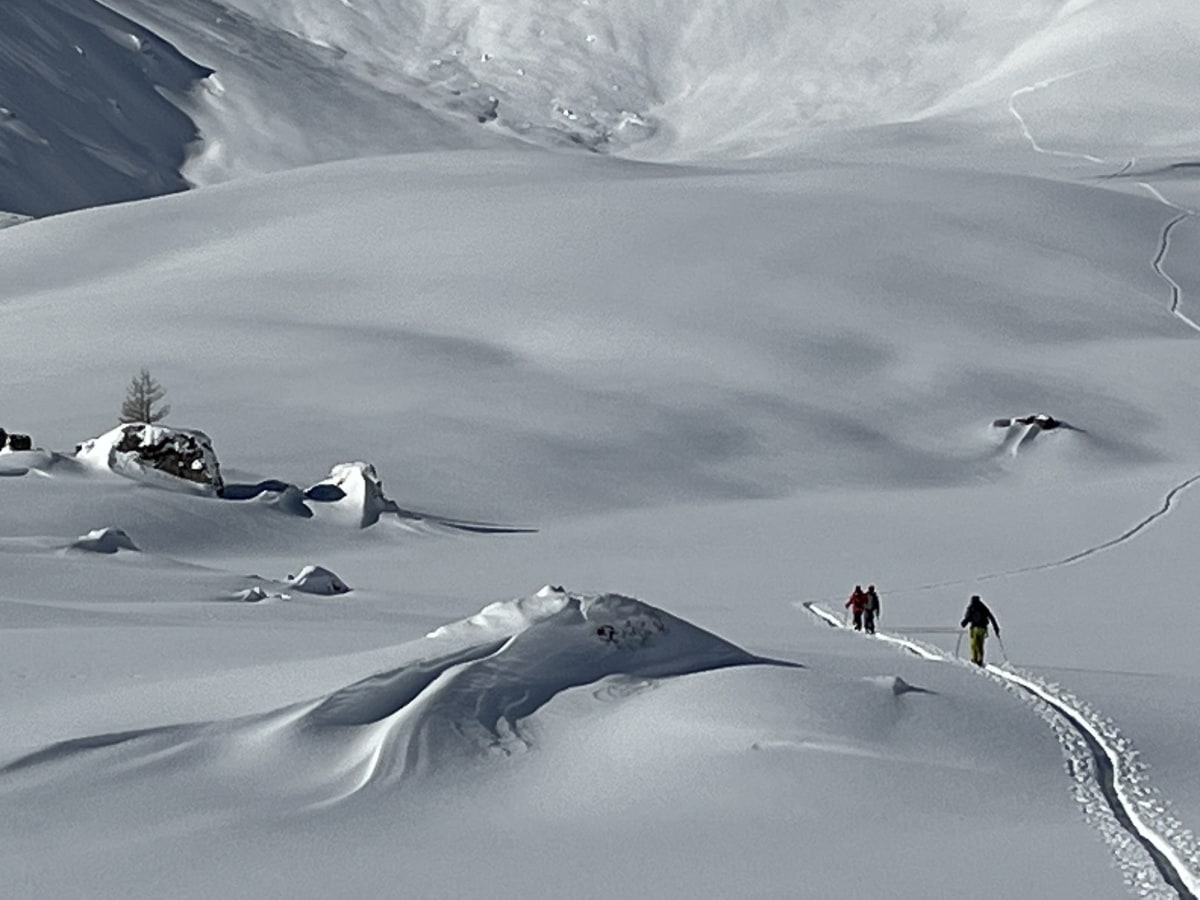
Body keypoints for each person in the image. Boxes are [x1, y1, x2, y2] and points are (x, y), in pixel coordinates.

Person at [960, 594, 1000, 666]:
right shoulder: (983, 607)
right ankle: (980, 660)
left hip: (974, 628)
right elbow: (991, 617)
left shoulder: (971, 607)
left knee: (973, 644)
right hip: (983, 629)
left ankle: (974, 659)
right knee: (980, 645)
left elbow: (968, 617)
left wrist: (964, 623)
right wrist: (996, 629)